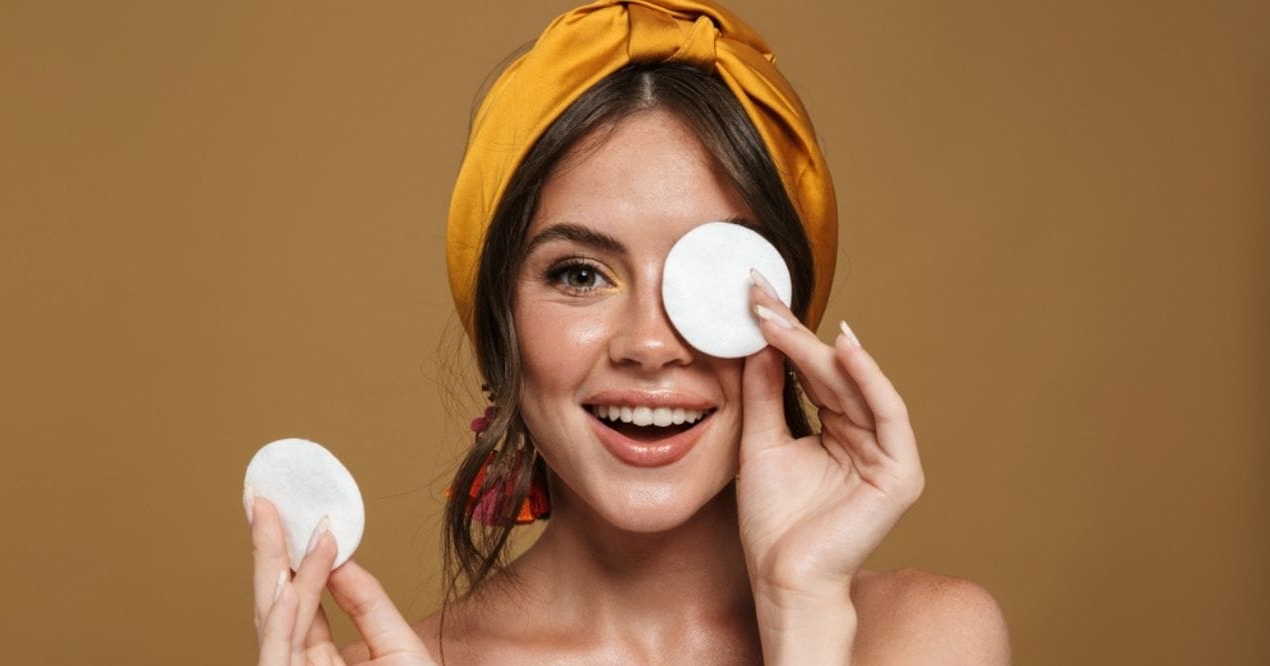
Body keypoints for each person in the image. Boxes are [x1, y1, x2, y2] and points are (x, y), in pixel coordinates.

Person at [245, 1, 1011, 663]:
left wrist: (800, 612)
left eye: (710, 279)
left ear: (788, 323)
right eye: (579, 275)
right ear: (499, 326)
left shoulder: (925, 640)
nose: (649, 344)